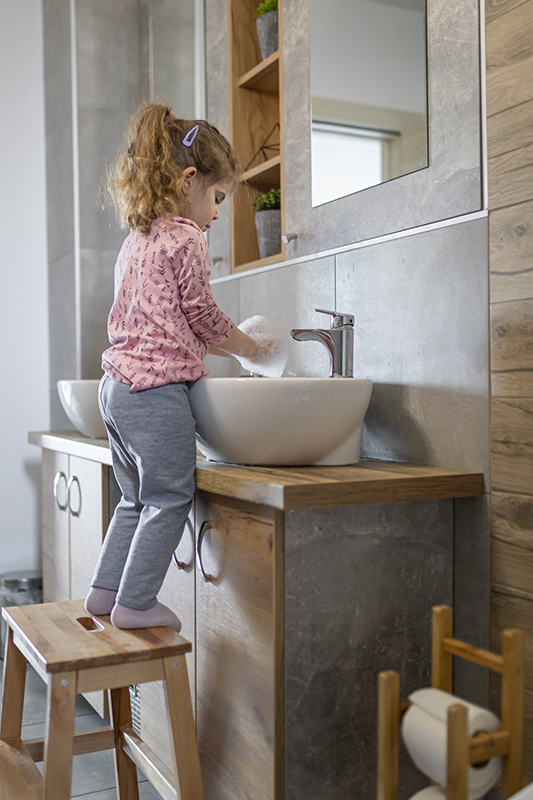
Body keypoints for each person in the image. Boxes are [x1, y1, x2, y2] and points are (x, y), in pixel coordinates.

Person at [85, 103, 271, 631]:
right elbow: (203, 317)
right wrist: (250, 349)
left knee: (133, 497)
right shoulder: (187, 236)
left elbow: (168, 320)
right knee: (170, 496)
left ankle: (104, 592)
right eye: (217, 198)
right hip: (154, 392)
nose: (216, 214)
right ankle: (136, 603)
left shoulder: (137, 238)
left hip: (116, 388)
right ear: (189, 180)